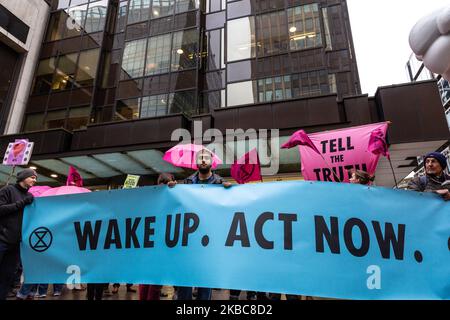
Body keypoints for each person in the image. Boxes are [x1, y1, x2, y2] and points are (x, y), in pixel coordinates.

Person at [169, 149, 231, 300]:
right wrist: (173, 189)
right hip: (189, 238)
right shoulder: (187, 182)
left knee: (205, 280)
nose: (203, 160)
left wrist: (230, 191)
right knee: (185, 278)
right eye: (200, 158)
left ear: (212, 162)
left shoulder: (220, 182)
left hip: (209, 238)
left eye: (206, 158)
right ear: (196, 162)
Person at [0, 169, 36, 300]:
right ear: (23, 178)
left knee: (7, 276)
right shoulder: (7, 190)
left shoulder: (30, 196)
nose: (34, 180)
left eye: (35, 178)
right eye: (32, 177)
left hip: (16, 244)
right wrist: (22, 203)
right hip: (2, 240)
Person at [139, 173, 175, 300]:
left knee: (150, 285)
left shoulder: (172, 196)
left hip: (154, 249)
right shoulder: (150, 198)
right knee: (149, 285)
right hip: (154, 248)